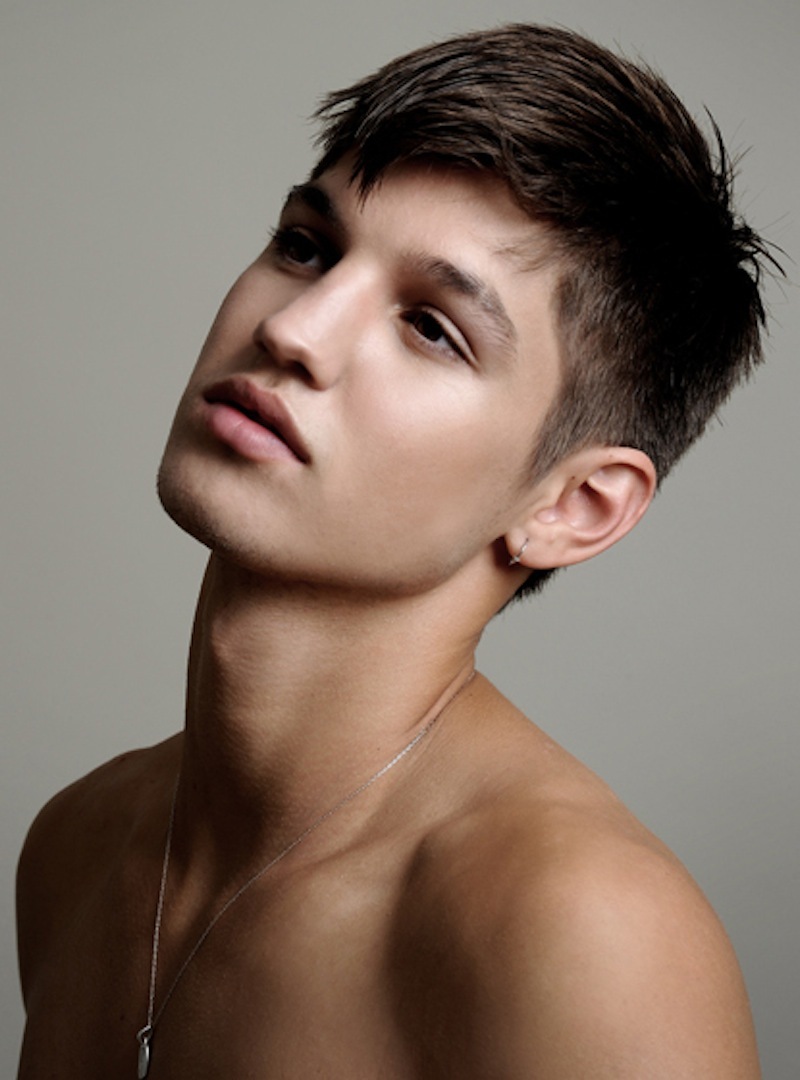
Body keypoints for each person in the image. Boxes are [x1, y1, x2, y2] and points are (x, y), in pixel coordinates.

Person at [16, 23, 773, 1078]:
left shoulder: (581, 930)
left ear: (574, 506)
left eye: (431, 327)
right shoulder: (78, 845)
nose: (294, 331)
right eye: (305, 247)